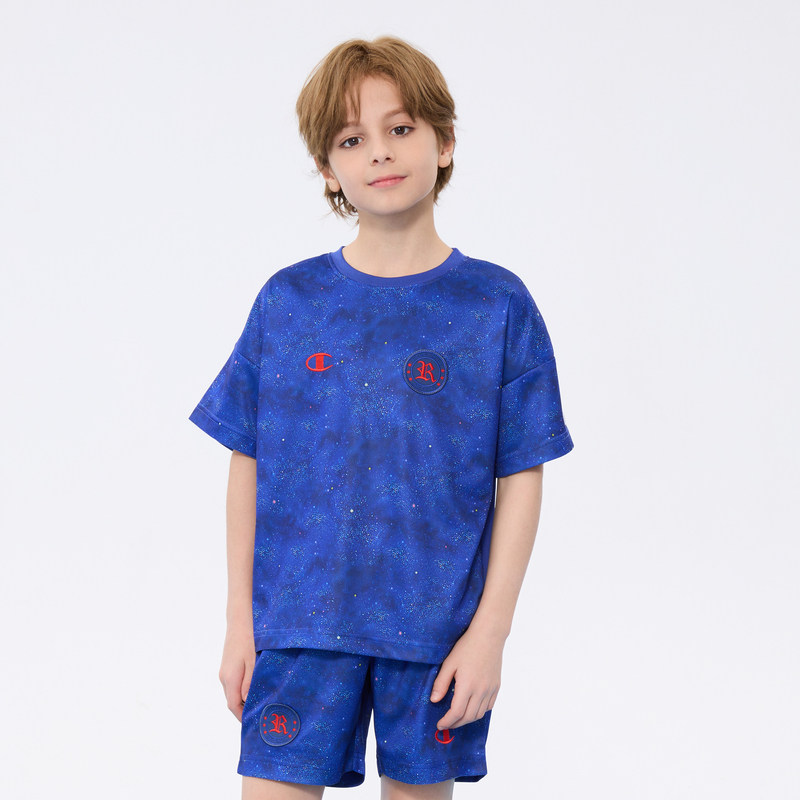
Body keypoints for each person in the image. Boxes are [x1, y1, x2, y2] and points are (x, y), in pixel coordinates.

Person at [189, 35, 574, 800]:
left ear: (444, 140)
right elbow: (248, 461)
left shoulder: (496, 305)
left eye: (400, 128)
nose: (380, 152)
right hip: (298, 626)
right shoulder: (289, 302)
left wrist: (490, 632)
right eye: (351, 139)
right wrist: (240, 622)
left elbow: (522, 475)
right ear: (328, 169)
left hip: (435, 634)